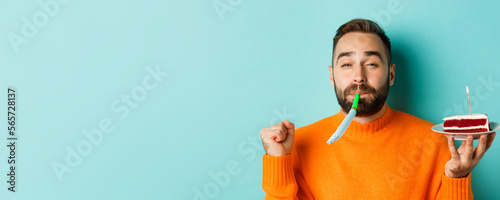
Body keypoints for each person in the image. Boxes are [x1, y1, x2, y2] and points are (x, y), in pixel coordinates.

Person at [259, 18, 496, 199]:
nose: (358, 77)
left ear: (391, 74)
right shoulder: (299, 145)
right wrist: (278, 161)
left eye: (371, 64)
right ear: (332, 76)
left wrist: (457, 178)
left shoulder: (435, 142)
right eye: (346, 64)